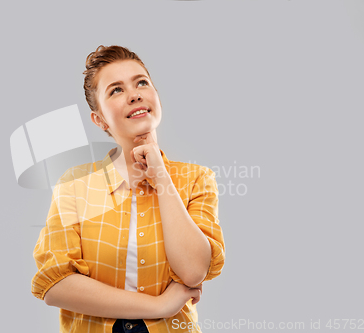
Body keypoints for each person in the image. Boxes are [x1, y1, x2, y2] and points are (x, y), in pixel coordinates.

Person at [31, 45, 225, 333]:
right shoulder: (74, 186)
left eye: (142, 83)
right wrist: (160, 306)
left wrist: (161, 177)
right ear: (99, 119)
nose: (135, 94)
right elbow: (55, 283)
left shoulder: (195, 179)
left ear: (156, 97)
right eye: (116, 90)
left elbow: (194, 270)